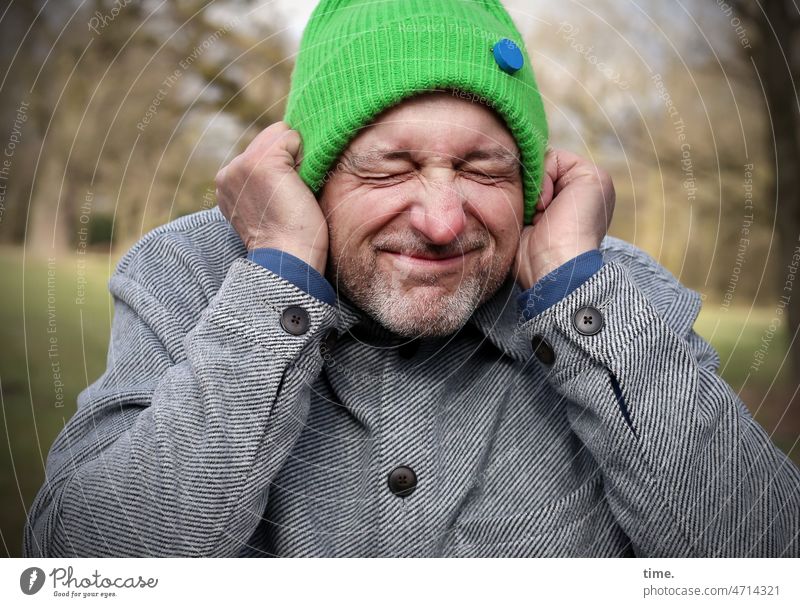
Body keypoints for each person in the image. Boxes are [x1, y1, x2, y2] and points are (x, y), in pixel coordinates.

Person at [25, 0, 800, 557]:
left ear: (532, 189)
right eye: (388, 165)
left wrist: (576, 295)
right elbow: (84, 565)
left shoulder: (611, 291)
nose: (440, 219)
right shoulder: (189, 276)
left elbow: (765, 560)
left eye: (482, 167)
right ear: (308, 175)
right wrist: (282, 277)